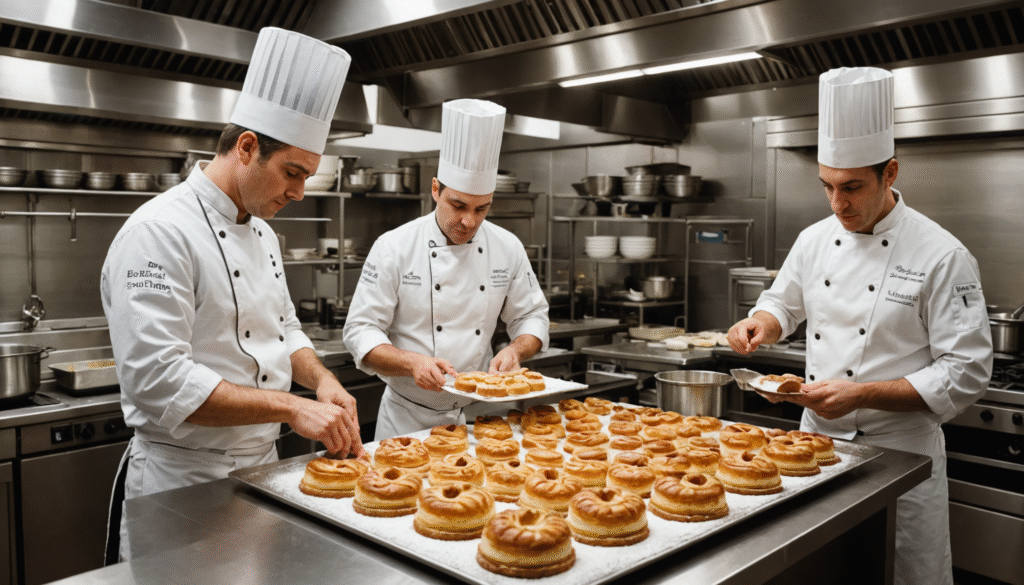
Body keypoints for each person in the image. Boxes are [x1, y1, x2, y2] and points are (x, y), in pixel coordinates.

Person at [100, 27, 363, 563]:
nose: (298, 192)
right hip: (181, 479)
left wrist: (321, 379)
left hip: (262, 472)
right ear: (246, 147)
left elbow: (285, 327)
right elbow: (159, 383)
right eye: (292, 172)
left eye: (307, 177)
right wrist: (292, 407)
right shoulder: (159, 232)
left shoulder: (263, 233)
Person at [727, 67, 992, 585]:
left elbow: (966, 371)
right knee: (818, 571)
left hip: (901, 457)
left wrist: (861, 394)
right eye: (826, 185)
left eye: (851, 187)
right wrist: (761, 323)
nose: (837, 203)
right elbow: (783, 303)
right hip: (813, 452)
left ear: (890, 173)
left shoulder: (941, 255)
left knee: (901, 575)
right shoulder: (814, 239)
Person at [343, 98, 550, 439]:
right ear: (435, 190)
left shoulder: (507, 247)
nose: (469, 221)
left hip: (477, 419)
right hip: (404, 420)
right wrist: (411, 363)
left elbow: (532, 317)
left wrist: (515, 350)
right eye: (458, 205)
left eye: (482, 209)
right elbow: (360, 332)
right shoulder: (394, 246)